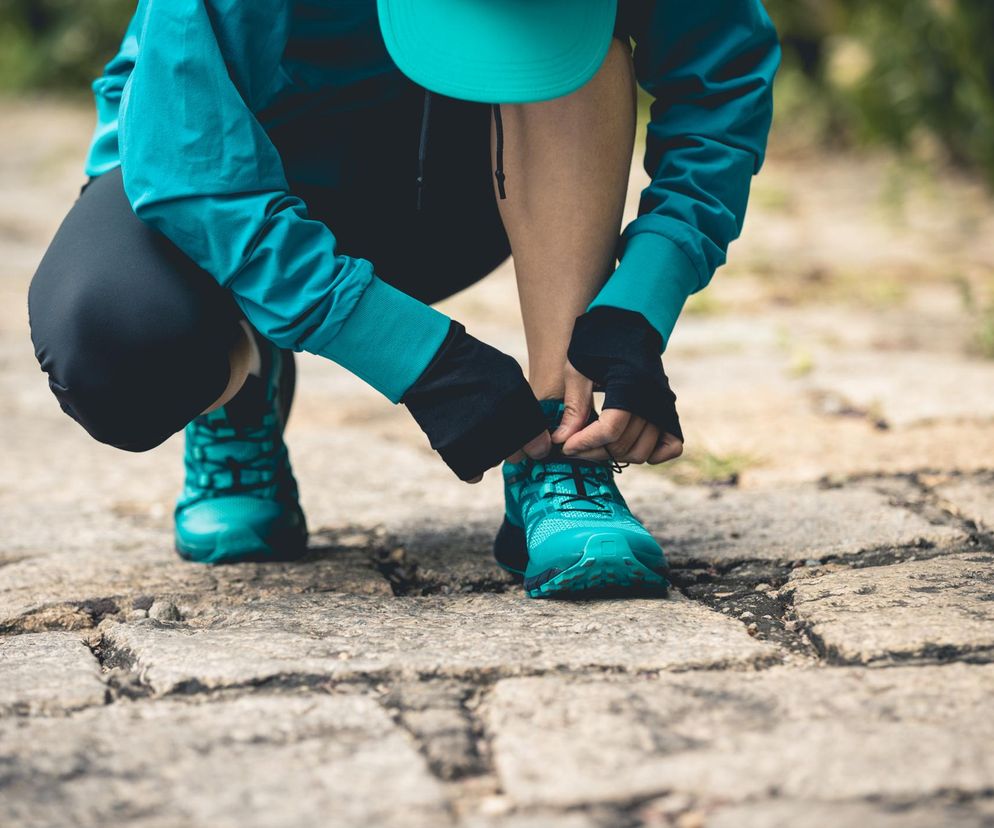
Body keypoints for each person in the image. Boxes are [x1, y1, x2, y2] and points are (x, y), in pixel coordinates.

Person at [27, 0, 779, 598]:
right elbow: (193, 165)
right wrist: (421, 360)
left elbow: (724, 79)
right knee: (114, 345)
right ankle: (241, 385)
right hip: (240, 179)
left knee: (579, 46)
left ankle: (562, 438)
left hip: (477, 185)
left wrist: (637, 307)